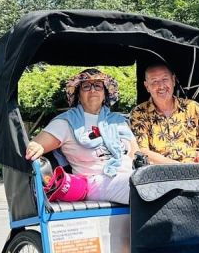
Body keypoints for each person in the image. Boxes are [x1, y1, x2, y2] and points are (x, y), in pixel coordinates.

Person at [24, 68, 138, 204]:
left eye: (98, 86)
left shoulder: (117, 120)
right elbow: (36, 144)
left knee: (156, 180)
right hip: (94, 182)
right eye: (86, 86)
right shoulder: (66, 122)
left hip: (128, 176)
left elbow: (136, 154)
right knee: (142, 185)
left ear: (105, 93)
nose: (93, 90)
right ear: (78, 95)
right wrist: (35, 146)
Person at [129, 62, 199, 164]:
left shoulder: (192, 107)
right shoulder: (139, 113)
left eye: (165, 79)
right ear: (147, 86)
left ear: (173, 80)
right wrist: (176, 167)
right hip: (159, 172)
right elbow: (141, 151)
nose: (161, 86)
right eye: (154, 81)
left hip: (196, 168)